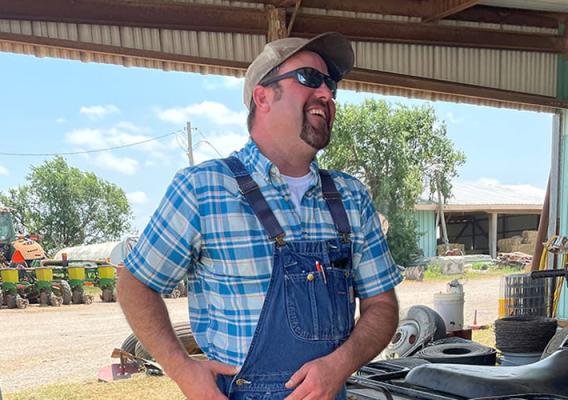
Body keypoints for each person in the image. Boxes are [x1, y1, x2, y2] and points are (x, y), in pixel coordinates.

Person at [118, 32, 403, 400]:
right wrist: (183, 370)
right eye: (309, 79)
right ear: (262, 96)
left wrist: (339, 365)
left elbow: (382, 305)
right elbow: (134, 284)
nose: (328, 94)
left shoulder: (351, 198)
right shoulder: (203, 189)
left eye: (331, 85)